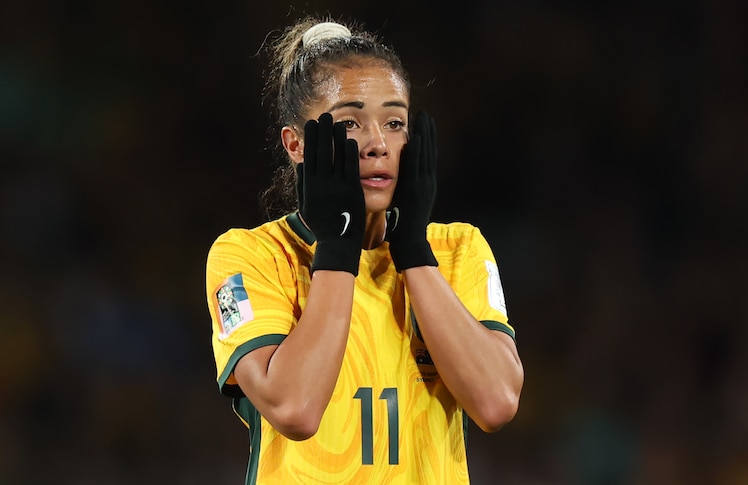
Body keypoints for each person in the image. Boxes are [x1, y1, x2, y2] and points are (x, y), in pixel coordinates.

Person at [205, 16, 524, 484]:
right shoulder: (250, 256)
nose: (377, 144)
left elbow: (496, 402)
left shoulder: (459, 249)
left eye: (395, 122)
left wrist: (413, 250)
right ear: (297, 145)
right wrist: (338, 247)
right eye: (350, 123)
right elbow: (295, 409)